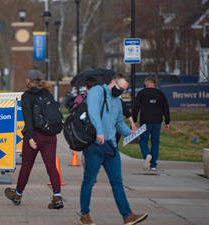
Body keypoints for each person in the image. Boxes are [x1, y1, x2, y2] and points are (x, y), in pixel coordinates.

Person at [79, 73, 148, 225]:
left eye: (123, 89)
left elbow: (118, 123)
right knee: (89, 181)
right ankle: (85, 215)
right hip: (95, 145)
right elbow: (93, 112)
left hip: (111, 146)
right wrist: (99, 131)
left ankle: (127, 216)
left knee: (117, 182)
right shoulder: (97, 91)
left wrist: (129, 133)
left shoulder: (117, 100)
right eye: (119, 87)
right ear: (112, 82)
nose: (120, 91)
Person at [4, 69, 64, 209]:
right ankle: (57, 196)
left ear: (29, 81)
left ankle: (18, 194)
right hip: (50, 136)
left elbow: (28, 120)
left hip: (35, 136)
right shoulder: (47, 93)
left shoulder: (27, 96)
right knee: (51, 167)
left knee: (26, 166)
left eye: (27, 79)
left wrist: (30, 138)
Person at [132, 76, 170, 171]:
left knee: (143, 140)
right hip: (157, 121)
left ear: (147, 82)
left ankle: (147, 155)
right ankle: (153, 165)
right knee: (155, 142)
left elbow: (136, 107)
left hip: (145, 121)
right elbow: (166, 108)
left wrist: (134, 120)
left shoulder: (141, 93)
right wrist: (167, 121)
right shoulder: (161, 94)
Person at [73, 76, 97, 168]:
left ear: (86, 87)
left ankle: (87, 171)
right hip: (96, 127)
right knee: (96, 151)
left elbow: (74, 110)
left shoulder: (80, 97)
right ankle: (93, 171)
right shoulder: (99, 97)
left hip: (84, 128)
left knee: (85, 152)